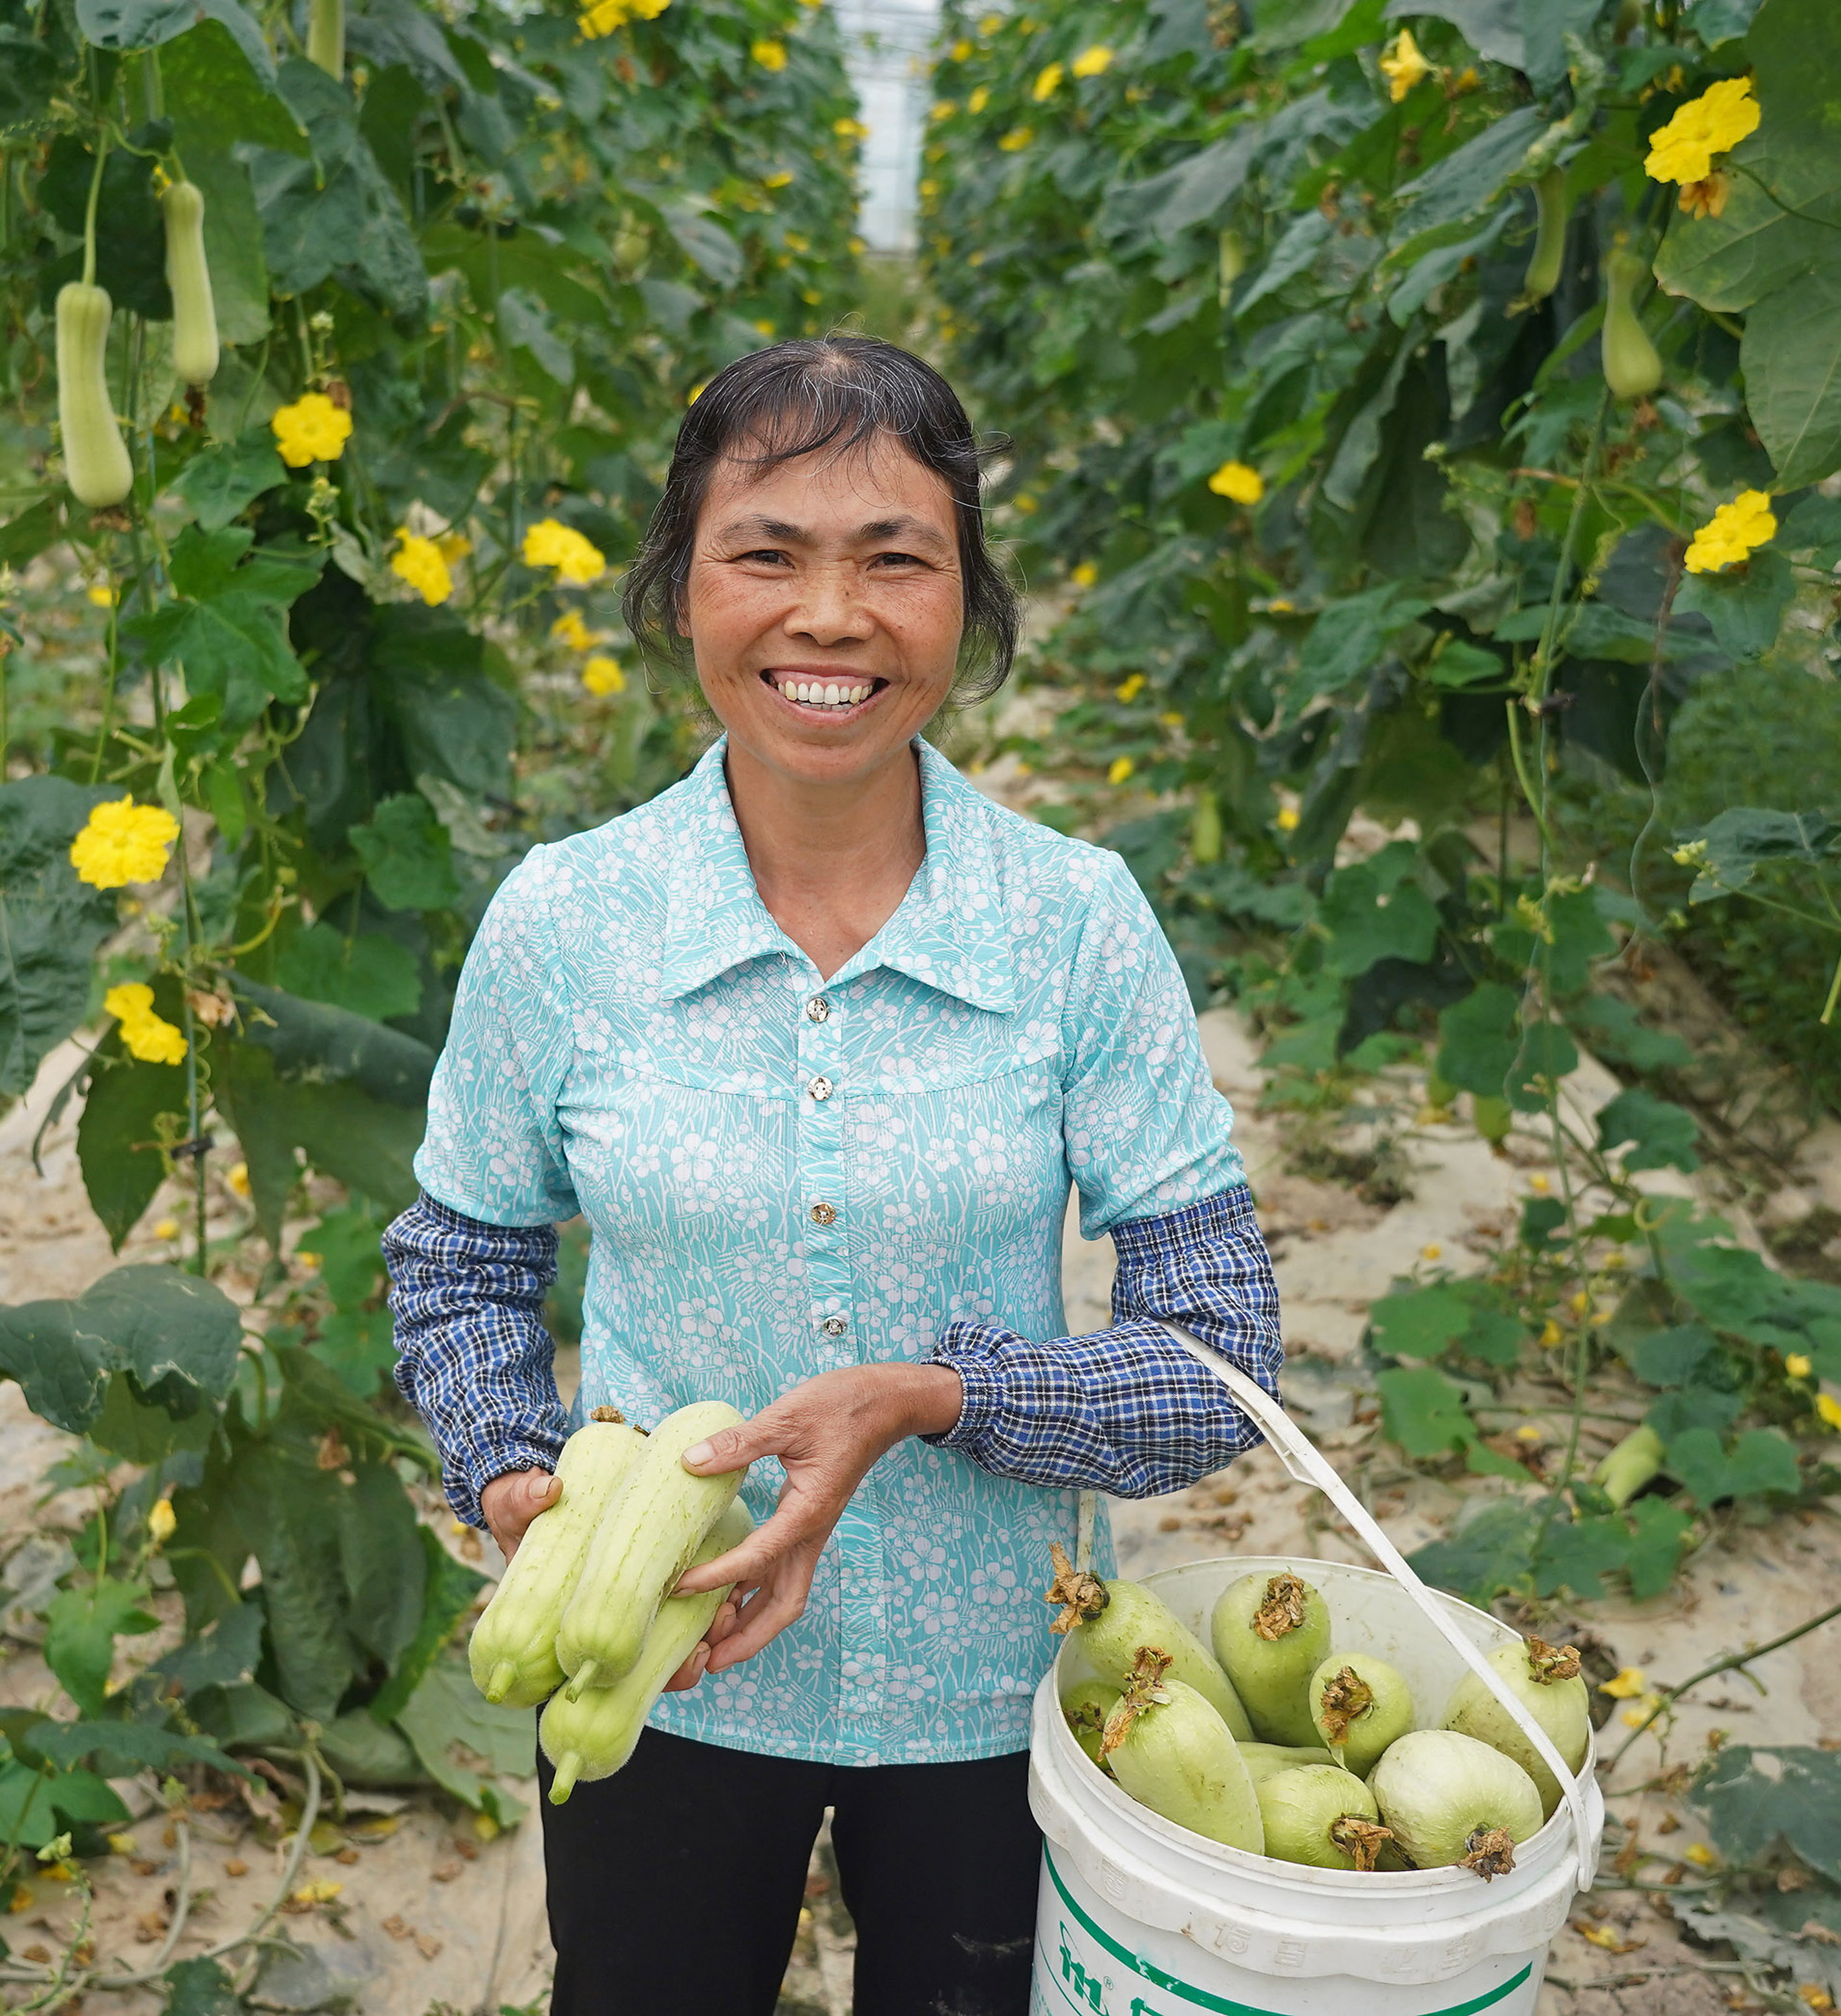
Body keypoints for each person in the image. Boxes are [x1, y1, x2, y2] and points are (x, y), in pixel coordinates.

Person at [386, 335, 1283, 2016]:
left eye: (896, 561)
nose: (831, 618)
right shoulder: (566, 922)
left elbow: (1221, 1358)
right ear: (681, 589)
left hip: (999, 1689)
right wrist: (515, 1482)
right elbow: (458, 1259)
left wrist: (932, 1396)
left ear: (967, 603)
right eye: (767, 554)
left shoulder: (1074, 922)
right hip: (655, 1668)